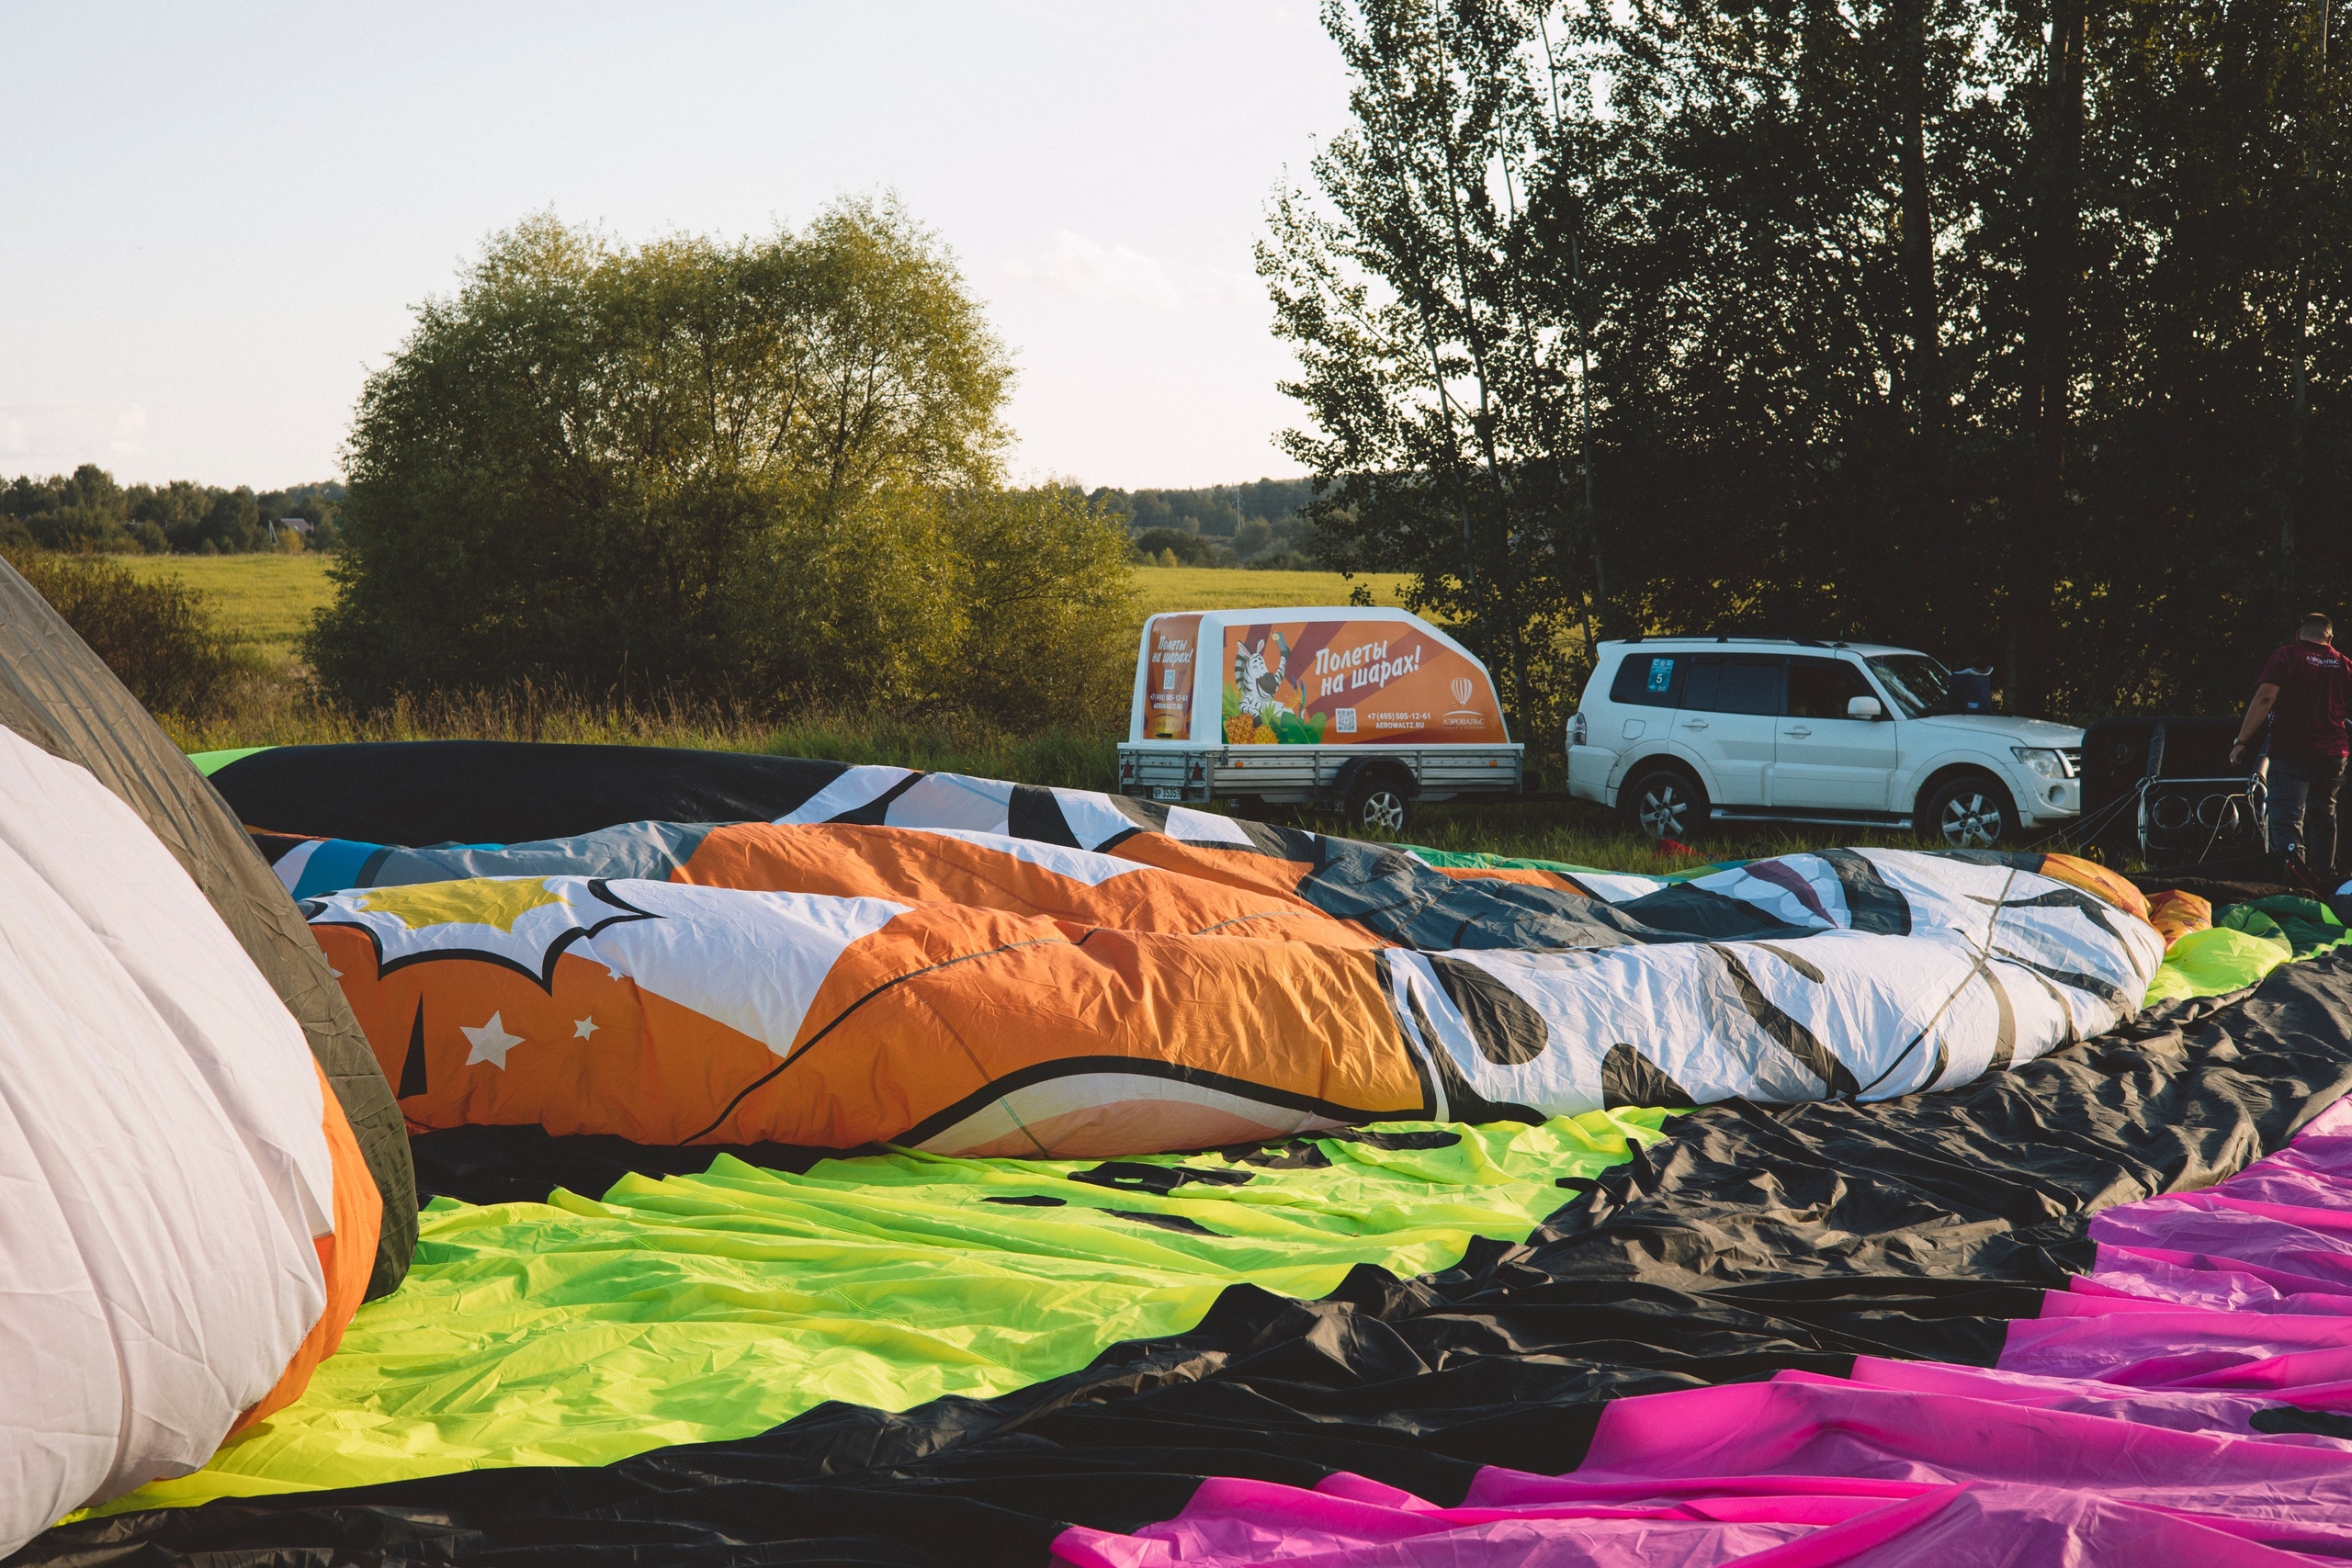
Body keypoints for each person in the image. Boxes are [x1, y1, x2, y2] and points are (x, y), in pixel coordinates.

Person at [2230, 613, 2352, 875]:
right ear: (2329, 638)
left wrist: (2242, 741)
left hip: (2292, 752)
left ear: (2299, 634)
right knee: (2324, 817)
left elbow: (2265, 698)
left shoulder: (2287, 655)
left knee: (2287, 819)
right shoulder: (2343, 663)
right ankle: (2325, 882)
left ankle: (2296, 883)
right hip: (2333, 755)